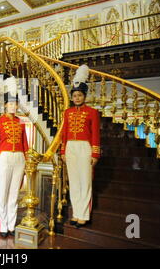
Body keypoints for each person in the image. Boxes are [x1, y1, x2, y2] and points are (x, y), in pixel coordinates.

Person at [60, 65, 100, 228]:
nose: (77, 98)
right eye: (75, 95)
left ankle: (84, 214)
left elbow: (95, 134)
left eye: (79, 95)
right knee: (74, 181)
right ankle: (76, 213)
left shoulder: (92, 112)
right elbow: (64, 132)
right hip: (70, 147)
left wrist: (95, 154)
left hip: (85, 148)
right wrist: (63, 150)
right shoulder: (67, 113)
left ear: (84, 96)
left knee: (85, 181)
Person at [0, 91, 29, 238]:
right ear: (5, 105)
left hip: (19, 158)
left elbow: (25, 144)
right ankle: (3, 226)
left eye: (15, 104)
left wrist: (27, 161)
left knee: (14, 194)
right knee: (2, 193)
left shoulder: (21, 122)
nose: (13, 106)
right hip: (4, 158)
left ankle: (11, 225)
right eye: (11, 103)